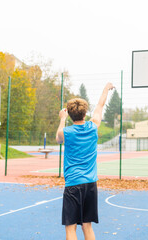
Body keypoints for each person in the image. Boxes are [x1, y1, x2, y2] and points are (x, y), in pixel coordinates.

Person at [56, 82, 115, 240]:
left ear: (69, 113)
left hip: (73, 184)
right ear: (85, 113)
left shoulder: (66, 132)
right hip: (90, 184)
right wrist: (105, 89)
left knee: (70, 228)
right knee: (87, 226)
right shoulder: (93, 126)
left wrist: (62, 119)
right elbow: (101, 105)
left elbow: (58, 139)